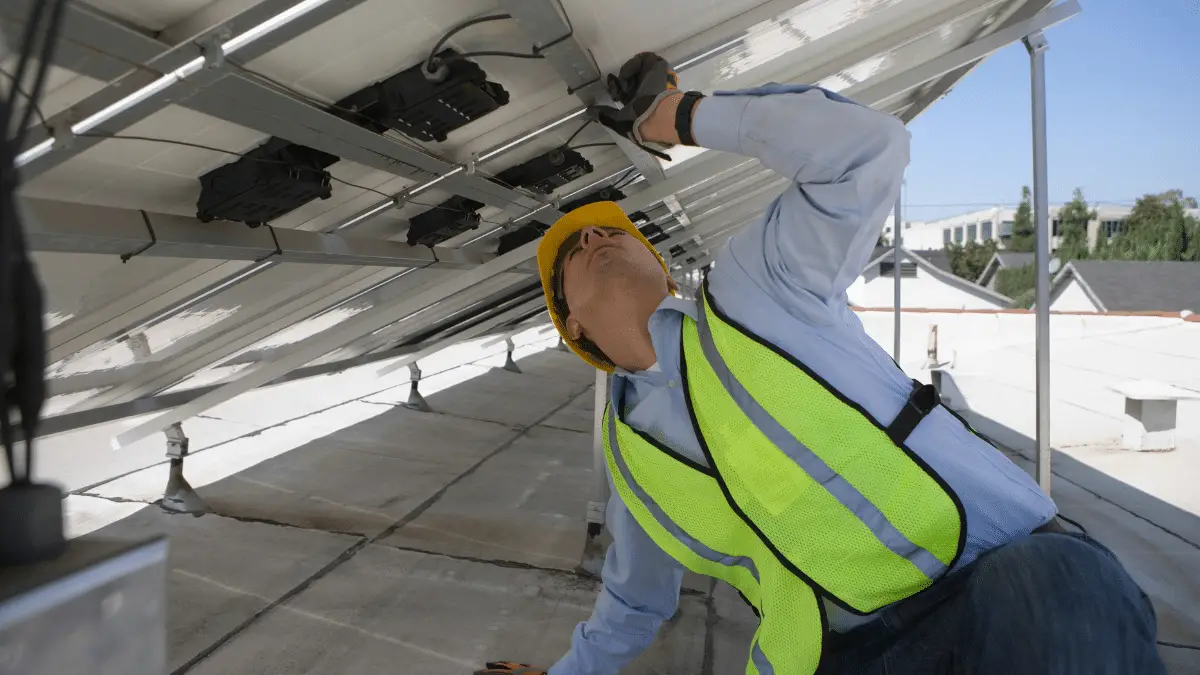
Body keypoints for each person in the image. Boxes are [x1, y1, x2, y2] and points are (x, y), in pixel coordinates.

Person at [474, 53, 1164, 675]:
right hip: (848, 653)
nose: (595, 234)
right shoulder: (629, 462)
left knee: (1041, 601)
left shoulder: (755, 287)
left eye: (613, 230)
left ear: (656, 263)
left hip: (1002, 571)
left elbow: (869, 150)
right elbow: (631, 602)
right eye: (572, 252)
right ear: (571, 324)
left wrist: (677, 117)